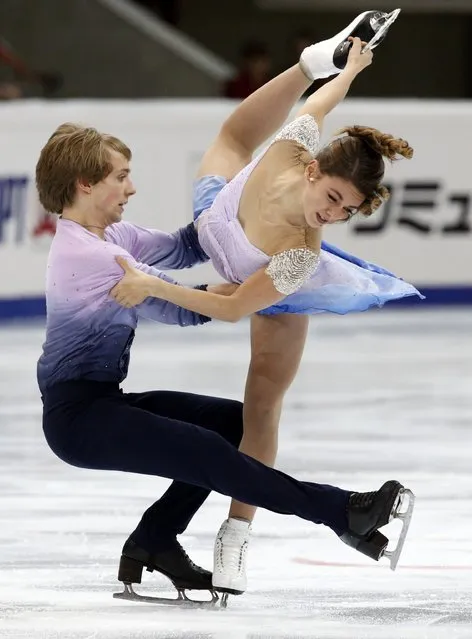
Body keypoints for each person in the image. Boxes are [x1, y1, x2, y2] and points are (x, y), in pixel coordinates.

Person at [36, 88, 413, 606]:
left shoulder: (111, 236)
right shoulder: (93, 257)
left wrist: (237, 209)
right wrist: (252, 289)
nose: (132, 186)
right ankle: (341, 511)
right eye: (121, 176)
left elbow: (185, 245)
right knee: (207, 454)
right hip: (78, 420)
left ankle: (154, 540)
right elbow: (177, 306)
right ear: (85, 184)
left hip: (100, 402)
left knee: (234, 427)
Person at [109, 16, 420, 598]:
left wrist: (153, 285)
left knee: (263, 400)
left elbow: (229, 312)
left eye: (345, 212)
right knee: (232, 139)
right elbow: (319, 106)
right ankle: (311, 56)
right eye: (330, 198)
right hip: (216, 215)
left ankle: (235, 536)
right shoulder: (290, 147)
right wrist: (346, 68)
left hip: (258, 279)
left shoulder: (301, 256)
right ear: (311, 169)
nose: (331, 215)